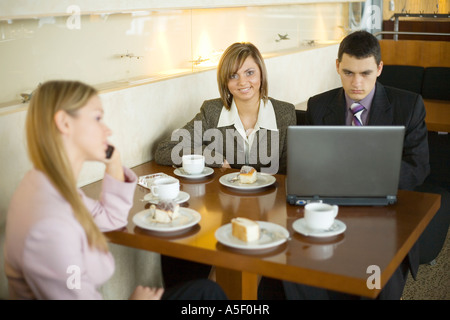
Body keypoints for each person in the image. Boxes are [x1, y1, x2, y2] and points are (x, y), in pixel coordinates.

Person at [4, 80, 227, 300]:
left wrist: (113, 162)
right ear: (64, 123)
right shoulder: (50, 223)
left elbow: (111, 219)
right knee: (209, 294)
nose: (107, 129)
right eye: (97, 118)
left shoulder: (46, 185)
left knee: (207, 291)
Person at [260, 30, 430, 300]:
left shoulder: (408, 106)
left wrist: (365, 179)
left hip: (383, 214)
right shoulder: (319, 105)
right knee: (292, 271)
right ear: (337, 66)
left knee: (376, 280)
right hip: (328, 209)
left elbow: (418, 168)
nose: (357, 83)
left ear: (380, 69)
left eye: (366, 73)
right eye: (348, 72)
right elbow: (307, 165)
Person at [155, 42, 297, 175]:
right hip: (226, 198)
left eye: (249, 73)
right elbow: (164, 150)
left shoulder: (284, 113)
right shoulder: (211, 112)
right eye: (233, 75)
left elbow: (290, 174)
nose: (242, 82)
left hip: (268, 198)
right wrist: (213, 158)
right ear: (225, 82)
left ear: (261, 73)